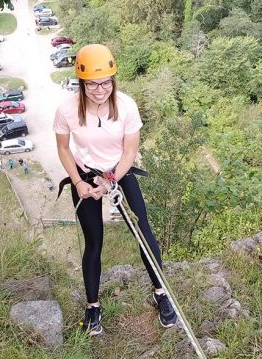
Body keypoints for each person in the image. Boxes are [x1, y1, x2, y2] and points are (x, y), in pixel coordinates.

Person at [53, 44, 177, 336]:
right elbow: (63, 148)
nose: (100, 90)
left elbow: (130, 151)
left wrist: (109, 181)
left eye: (106, 82)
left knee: (143, 231)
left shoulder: (126, 106)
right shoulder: (67, 109)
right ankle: (93, 306)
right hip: (84, 173)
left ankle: (160, 292)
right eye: (92, 84)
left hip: (118, 171)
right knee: (94, 241)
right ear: (82, 83)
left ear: (113, 80)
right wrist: (81, 183)